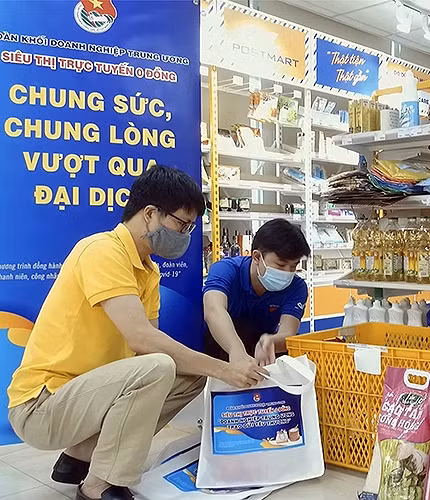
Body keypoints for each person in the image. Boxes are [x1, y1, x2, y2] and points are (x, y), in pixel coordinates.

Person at [7, 166, 267, 500]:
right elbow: (141, 338)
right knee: (160, 366)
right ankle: (99, 484)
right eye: (181, 224)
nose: (186, 235)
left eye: (191, 226)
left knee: (187, 375)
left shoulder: (148, 270)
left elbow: (150, 350)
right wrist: (225, 368)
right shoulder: (102, 251)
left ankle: (80, 456)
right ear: (149, 214)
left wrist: (217, 366)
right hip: (42, 405)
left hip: (84, 396)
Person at [204, 218, 310, 366]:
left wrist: (271, 342)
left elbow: (288, 334)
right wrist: (236, 350)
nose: (287, 272)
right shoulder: (225, 270)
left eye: (293, 266)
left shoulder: (297, 287)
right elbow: (214, 310)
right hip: (221, 345)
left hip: (261, 344)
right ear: (257, 257)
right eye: (281, 265)